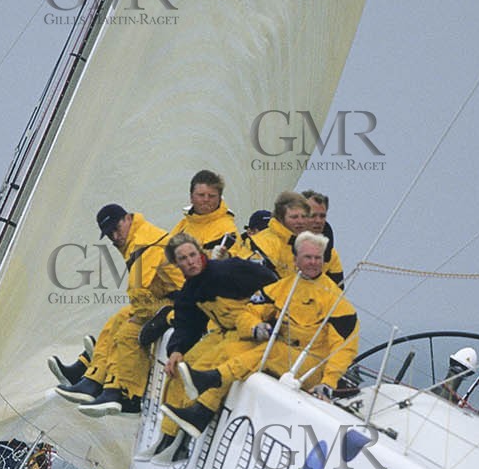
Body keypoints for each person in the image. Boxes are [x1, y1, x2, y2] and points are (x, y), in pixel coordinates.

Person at [162, 233, 357, 437]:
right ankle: (185, 422)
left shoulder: (335, 299)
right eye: (307, 257)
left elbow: (344, 347)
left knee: (263, 352)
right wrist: (255, 327)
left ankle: (209, 387)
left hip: (312, 365)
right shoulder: (282, 287)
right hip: (283, 352)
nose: (313, 263)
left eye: (318, 258)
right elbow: (249, 312)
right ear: (295, 259)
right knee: (222, 354)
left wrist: (328, 383)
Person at [140, 233, 273, 452]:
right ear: (176, 263)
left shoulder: (229, 269)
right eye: (182, 259)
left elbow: (272, 282)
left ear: (201, 253)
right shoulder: (189, 292)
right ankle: (168, 437)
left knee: (208, 364)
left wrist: (266, 317)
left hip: (251, 330)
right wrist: (176, 350)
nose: (190, 261)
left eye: (192, 255)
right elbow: (187, 325)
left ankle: (194, 423)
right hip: (225, 331)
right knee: (179, 369)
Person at [52, 203, 174, 416]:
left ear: (128, 219)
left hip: (179, 301)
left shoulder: (145, 241)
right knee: (114, 322)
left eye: (117, 229)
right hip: (165, 299)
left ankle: (122, 391)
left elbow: (139, 289)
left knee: (127, 332)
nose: (115, 236)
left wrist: (138, 317)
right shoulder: (136, 239)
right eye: (109, 234)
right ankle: (93, 378)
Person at [237, 191, 312, 279]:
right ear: (281, 218)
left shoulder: (301, 244)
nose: (300, 221)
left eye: (304, 216)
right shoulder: (265, 242)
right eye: (294, 217)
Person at [300, 190, 346, 286]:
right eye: (313, 215)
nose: (318, 221)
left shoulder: (331, 255)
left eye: (322, 216)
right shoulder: (276, 243)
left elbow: (337, 293)